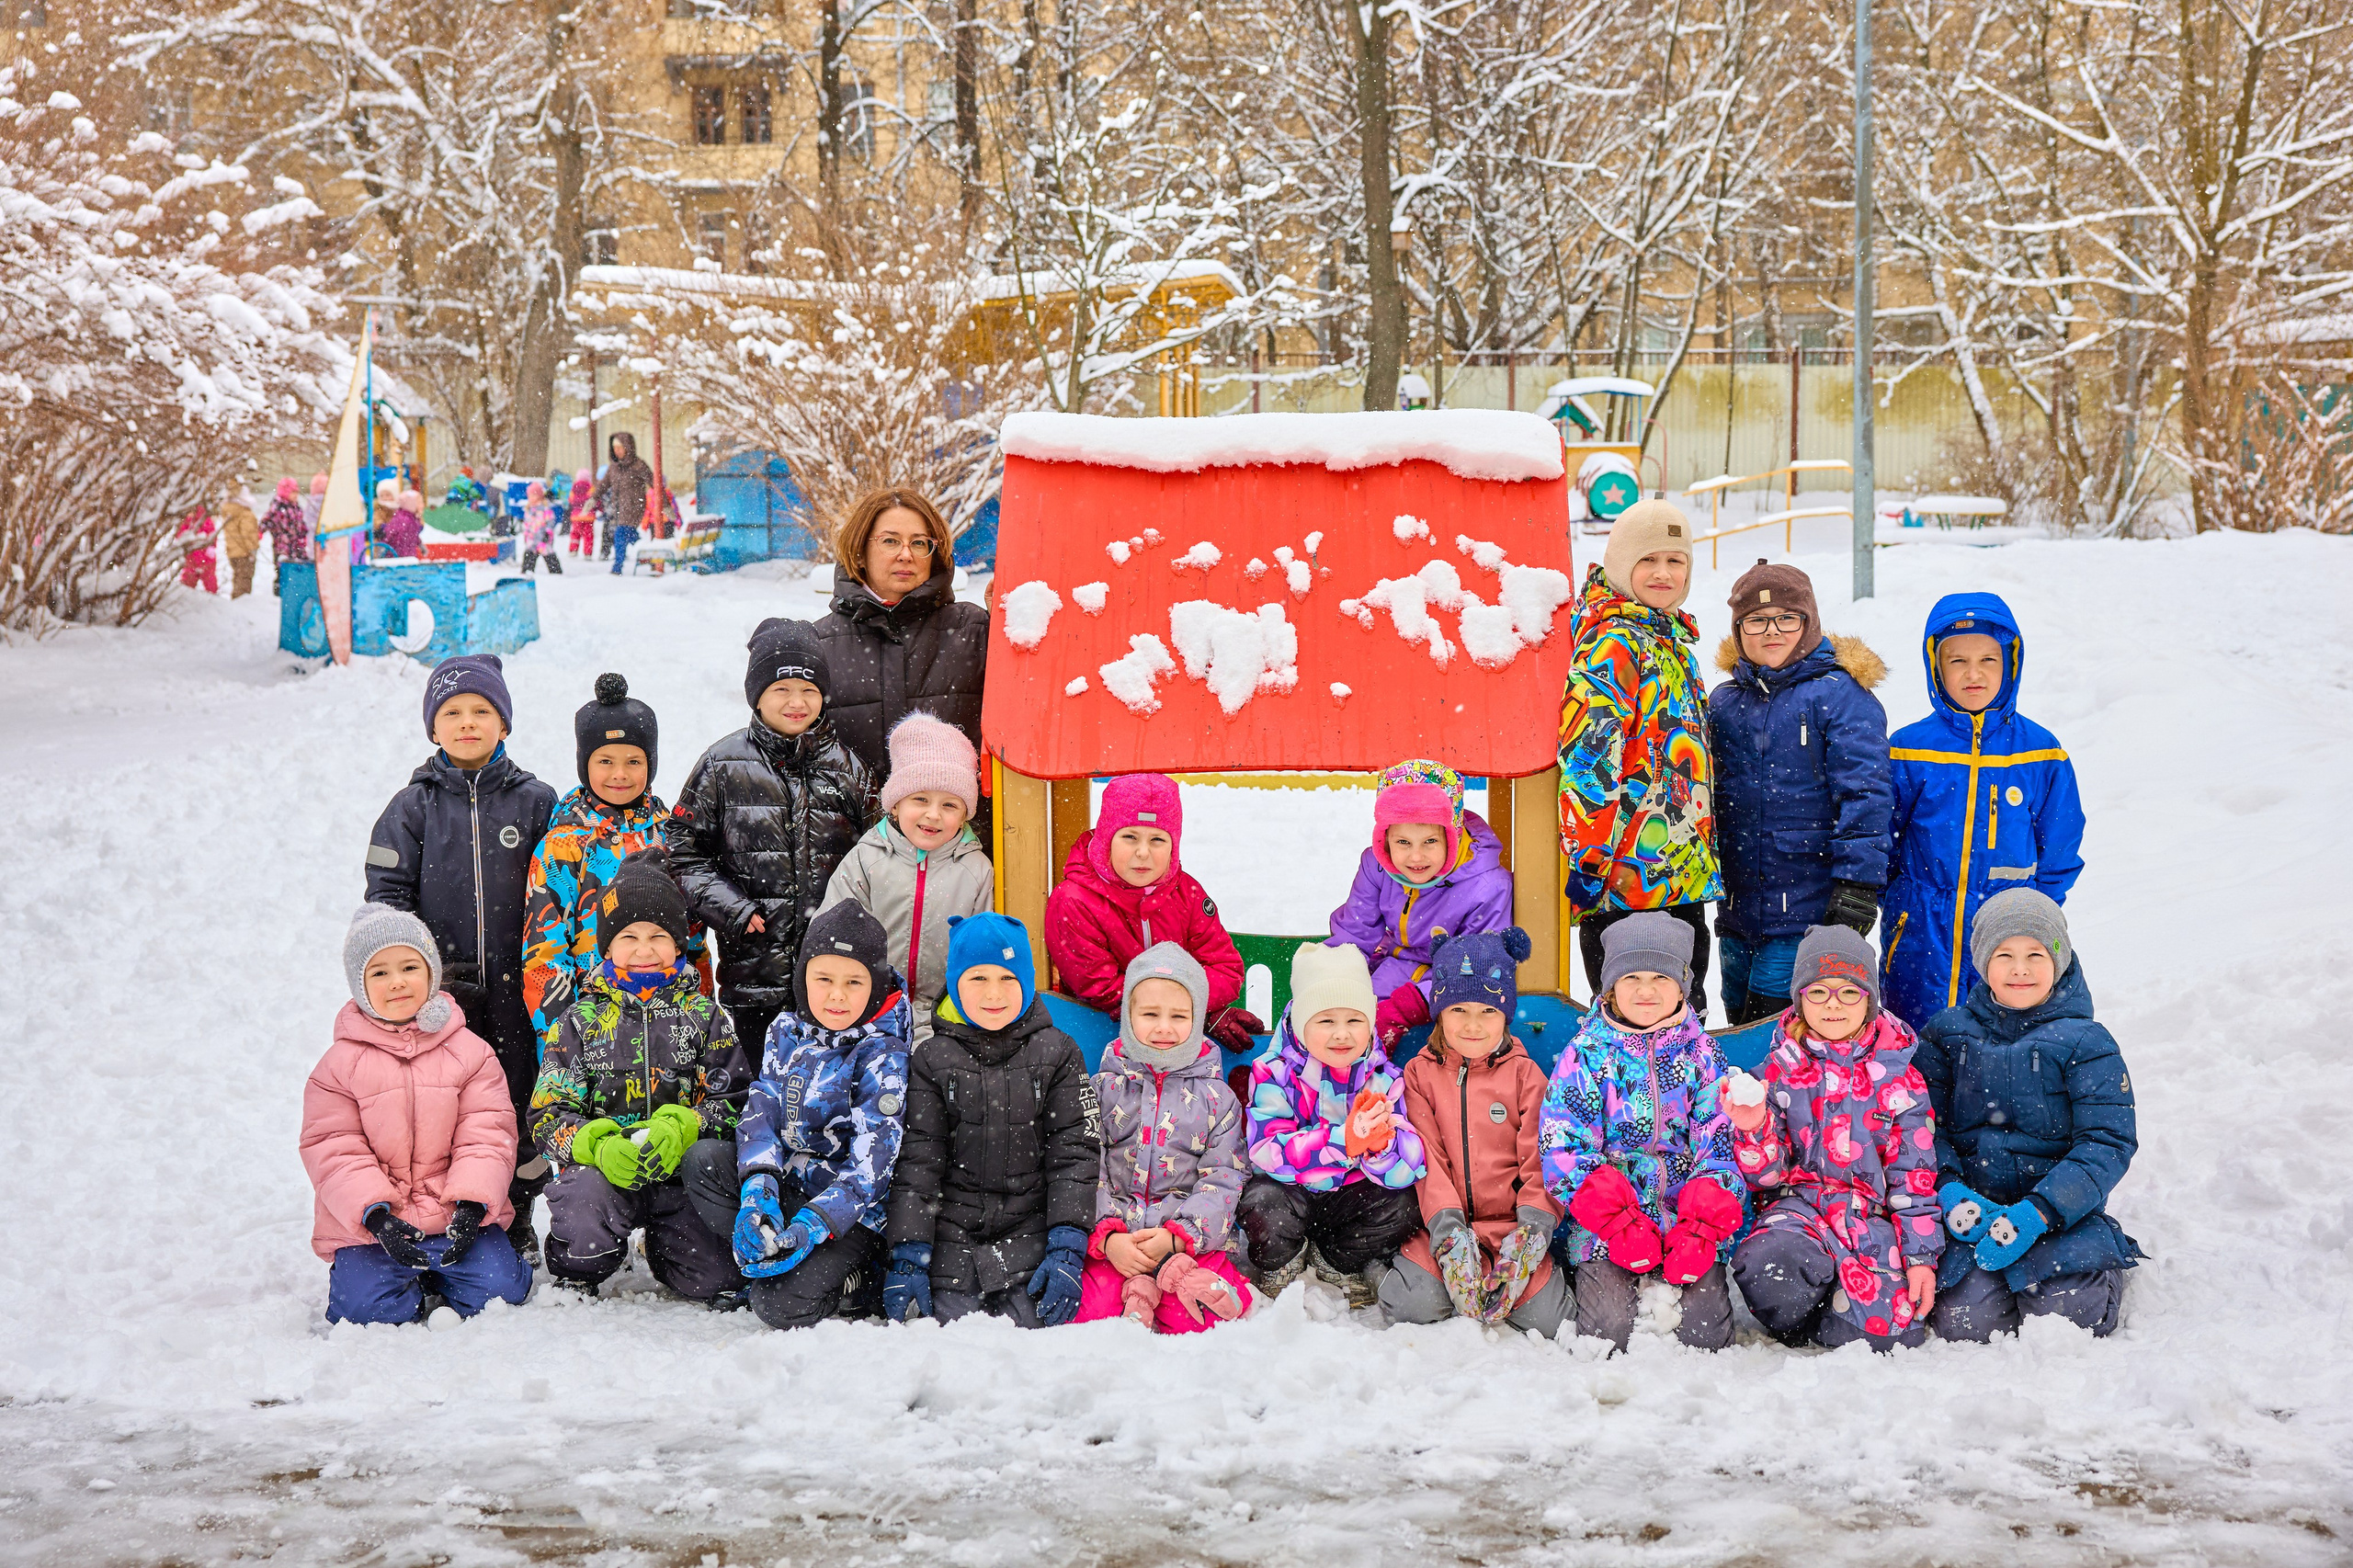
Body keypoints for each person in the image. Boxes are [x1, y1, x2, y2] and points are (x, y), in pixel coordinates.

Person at [367, 654, 558, 1239]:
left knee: (521, 1096)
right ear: (433, 727)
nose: (467, 722)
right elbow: (387, 903)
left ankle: (518, 1207)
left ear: (505, 723)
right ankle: (457, 1208)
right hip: (445, 996)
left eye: (482, 710)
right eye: (452, 712)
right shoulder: (412, 807)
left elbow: (565, 883)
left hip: (521, 986)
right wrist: (419, 976)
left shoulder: (537, 802)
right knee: (452, 1105)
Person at [1915, 890, 2140, 1342]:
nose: (2020, 969)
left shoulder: (2087, 1041)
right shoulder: (1946, 1035)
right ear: (1982, 962)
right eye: (2005, 955)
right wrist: (1949, 1190)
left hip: (2061, 1216)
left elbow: (2107, 1142)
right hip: (1973, 1215)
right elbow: (1922, 1127)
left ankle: (2104, 1269)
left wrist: (2040, 1211)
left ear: (2059, 960)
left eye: (2036, 954)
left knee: (2072, 1318)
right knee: (1964, 1325)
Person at [529, 853, 750, 1301]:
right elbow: (545, 1117)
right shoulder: (578, 1020)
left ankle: (664, 1248)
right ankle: (586, 1257)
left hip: (678, 1177)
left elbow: (738, 1101)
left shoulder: (705, 1015)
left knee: (716, 1279)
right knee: (583, 1245)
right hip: (605, 1176)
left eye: (659, 936)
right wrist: (596, 1144)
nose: (644, 949)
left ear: (679, 944)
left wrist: (687, 1126)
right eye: (628, 936)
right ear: (607, 947)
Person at [301, 905, 533, 1325]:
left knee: (503, 1293)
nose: (397, 982)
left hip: (454, 1215)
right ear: (359, 986)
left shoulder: (471, 1053)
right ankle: (392, 1276)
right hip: (376, 1229)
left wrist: (470, 1205)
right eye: (379, 973)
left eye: (409, 966)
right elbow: (334, 1148)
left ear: (431, 973)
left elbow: (487, 1133)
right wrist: (376, 1216)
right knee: (365, 1313)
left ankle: (446, 1272)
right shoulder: (337, 1066)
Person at [1724, 925, 1943, 1350]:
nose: (1833, 1005)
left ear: (1870, 1000)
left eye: (1849, 992)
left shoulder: (1902, 1079)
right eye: (1818, 992)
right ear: (1800, 1000)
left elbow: (1913, 1181)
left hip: (1869, 1221)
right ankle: (1803, 1308)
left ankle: (1831, 1310)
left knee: (1886, 1337)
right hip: (1797, 1212)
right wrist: (1754, 1128)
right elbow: (1764, 1178)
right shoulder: (1776, 1071)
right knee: (1772, 1269)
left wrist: (1919, 1258)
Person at [885, 913, 1102, 1327]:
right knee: (951, 1333)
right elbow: (919, 1162)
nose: (994, 994)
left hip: (1030, 1229)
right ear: (955, 984)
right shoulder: (932, 1060)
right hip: (953, 1232)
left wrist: (1067, 1246)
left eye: (1008, 979)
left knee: (1031, 1327)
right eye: (977, 979)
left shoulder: (1057, 1054)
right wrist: (910, 1254)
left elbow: (1074, 1156)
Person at [669, 620, 877, 1048]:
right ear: (757, 696)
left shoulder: (849, 768)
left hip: (835, 975)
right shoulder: (721, 766)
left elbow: (881, 851)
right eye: (782, 690)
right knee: (762, 1094)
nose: (797, 702)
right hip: (754, 975)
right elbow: (683, 854)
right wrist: (735, 912)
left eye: (809, 690)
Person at [1882, 593, 2086, 1028]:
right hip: (1920, 928)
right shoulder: (1909, 748)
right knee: (1916, 1040)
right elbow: (1883, 836)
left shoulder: (2040, 753)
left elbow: (2060, 845)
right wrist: (1900, 902)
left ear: (2010, 663)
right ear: (1936, 666)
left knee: (2003, 1044)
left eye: (1988, 660)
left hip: (2007, 930)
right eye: (1957, 661)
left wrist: (2036, 911)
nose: (1973, 674)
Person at [1539, 914, 1741, 1351]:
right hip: (1608, 1223)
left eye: (1660, 977)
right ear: (1610, 986)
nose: (1646, 990)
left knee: (1706, 1337)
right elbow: (1565, 1148)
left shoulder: (1703, 1054)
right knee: (1609, 1331)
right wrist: (1618, 1222)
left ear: (1683, 985)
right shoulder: (1586, 1055)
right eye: (1631, 977)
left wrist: (1700, 1228)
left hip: (1687, 1221)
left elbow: (1721, 1145)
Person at [1708, 561, 1893, 1024]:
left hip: (1807, 910)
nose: (1772, 631)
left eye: (1787, 619)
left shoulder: (1841, 696)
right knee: (1738, 1026)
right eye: (1756, 620)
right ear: (1738, 628)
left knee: (1778, 1031)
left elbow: (1866, 797)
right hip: (1736, 911)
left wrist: (1857, 884)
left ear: (1809, 623)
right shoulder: (1725, 701)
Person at [713, 902, 911, 1328]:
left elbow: (872, 1164)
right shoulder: (785, 1030)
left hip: (851, 1214)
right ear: (804, 979)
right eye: (824, 979)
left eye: (853, 982)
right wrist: (758, 1195)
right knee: (704, 1164)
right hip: (791, 1185)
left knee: (780, 1307)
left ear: (874, 986)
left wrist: (816, 1222)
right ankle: (762, 1246)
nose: (836, 995)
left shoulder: (884, 1055)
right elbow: (761, 1112)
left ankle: (860, 1280)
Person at [1556, 498, 1722, 1007]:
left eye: (1676, 561)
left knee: (1682, 1031)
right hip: (1626, 880)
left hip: (1678, 875)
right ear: (1621, 565)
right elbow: (1589, 755)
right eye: (1648, 560)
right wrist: (1588, 859)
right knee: (1631, 1027)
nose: (1663, 573)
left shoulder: (1672, 646)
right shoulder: (1615, 644)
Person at [1380, 928, 1568, 1336]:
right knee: (1412, 1306)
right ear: (1440, 1013)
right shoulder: (1419, 1074)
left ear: (1506, 1015)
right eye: (1458, 1010)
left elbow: (1542, 1160)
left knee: (1550, 1321)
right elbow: (1427, 1156)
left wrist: (1529, 1235)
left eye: (1488, 1011)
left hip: (1510, 1230)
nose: (1473, 1025)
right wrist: (1449, 1236)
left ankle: (1515, 1268)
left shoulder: (1524, 1075)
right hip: (1442, 1225)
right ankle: (1398, 1271)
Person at [1236, 942, 1427, 1305]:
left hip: (1347, 1199)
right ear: (1300, 1022)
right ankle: (1283, 1262)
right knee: (1262, 1201)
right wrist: (1343, 1141)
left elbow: (1411, 1164)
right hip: (1291, 1190)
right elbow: (1267, 1151)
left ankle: (1337, 1261)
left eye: (1354, 1020)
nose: (1342, 1034)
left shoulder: (1383, 1078)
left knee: (1405, 1204)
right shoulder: (1274, 1073)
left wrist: (1382, 1146)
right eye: (1326, 1021)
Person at [1079, 945, 1256, 1332]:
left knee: (1206, 1318)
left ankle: (1166, 1280)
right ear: (1128, 1017)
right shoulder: (1103, 1089)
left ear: (1197, 1020)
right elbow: (1084, 1167)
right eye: (1150, 1014)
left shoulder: (1217, 1099)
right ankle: (1134, 1285)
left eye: (1179, 1016)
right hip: (1115, 1241)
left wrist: (1179, 1237)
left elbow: (1224, 1175)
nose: (1164, 1027)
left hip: (1180, 1240)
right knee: (1088, 1314)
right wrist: (1108, 1236)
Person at [522, 674, 702, 1050]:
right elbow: (545, 954)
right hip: (592, 1036)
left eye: (633, 761)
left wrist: (701, 1023)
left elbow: (693, 940)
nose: (620, 774)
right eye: (605, 761)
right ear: (584, 764)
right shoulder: (563, 847)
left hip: (670, 1031)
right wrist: (564, 1045)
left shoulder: (671, 839)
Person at [812, 488, 990, 823]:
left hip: (961, 848)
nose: (906, 554)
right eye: (890, 541)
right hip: (853, 848)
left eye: (919, 543)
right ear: (860, 551)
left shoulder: (975, 629)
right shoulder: (818, 643)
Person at [1042, 773, 1254, 1051]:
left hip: (1177, 1046)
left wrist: (1185, 1010)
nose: (1143, 852)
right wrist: (1188, 1012)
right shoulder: (1074, 900)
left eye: (1157, 839)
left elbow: (1225, 969)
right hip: (1100, 1042)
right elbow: (1101, 988)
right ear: (1107, 839)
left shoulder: (1185, 893)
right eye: (1130, 837)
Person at [817, 711, 994, 1040]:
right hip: (871, 1013)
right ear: (896, 805)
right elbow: (833, 934)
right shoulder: (866, 859)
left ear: (965, 813)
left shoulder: (976, 871)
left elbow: (982, 952)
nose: (933, 814)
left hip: (949, 1018)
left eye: (950, 805)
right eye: (921, 799)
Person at [1327, 759, 1517, 1050]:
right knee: (1338, 1024)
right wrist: (1336, 984)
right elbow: (1354, 934)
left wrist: (1406, 1005)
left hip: (1453, 986)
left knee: (1432, 1038)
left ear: (1451, 837)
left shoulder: (1486, 885)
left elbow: (1476, 968)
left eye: (1429, 841)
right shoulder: (1377, 865)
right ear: (1385, 839)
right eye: (1403, 842)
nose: (1416, 857)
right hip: (1394, 965)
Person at [595, 431, 654, 562]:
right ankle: (648, 558)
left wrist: (666, 505)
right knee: (629, 534)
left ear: (628, 447)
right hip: (619, 507)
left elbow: (655, 483)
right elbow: (603, 485)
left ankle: (618, 567)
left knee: (621, 534)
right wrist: (593, 498)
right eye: (615, 448)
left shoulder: (638, 465)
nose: (617, 451)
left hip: (634, 506)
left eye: (620, 448)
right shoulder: (614, 468)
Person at [260, 477, 311, 595]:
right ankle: (280, 592)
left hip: (297, 545)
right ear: (286, 493)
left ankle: (294, 592)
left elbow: (300, 523)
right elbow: (267, 520)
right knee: (282, 570)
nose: (296, 495)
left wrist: (304, 531)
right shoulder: (278, 507)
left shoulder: (296, 507)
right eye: (293, 492)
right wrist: (260, 531)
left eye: (297, 493)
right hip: (282, 546)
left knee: (298, 569)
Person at [220, 487, 261, 598]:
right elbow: (248, 534)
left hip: (233, 551)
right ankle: (241, 603)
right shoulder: (245, 513)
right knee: (244, 580)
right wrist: (252, 549)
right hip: (245, 553)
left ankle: (237, 600)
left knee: (238, 577)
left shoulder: (229, 511)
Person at [518, 480, 562, 574]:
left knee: (548, 554)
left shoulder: (545, 508)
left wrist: (548, 532)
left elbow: (550, 521)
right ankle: (527, 572)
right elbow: (527, 524)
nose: (531, 498)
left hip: (543, 538)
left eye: (534, 495)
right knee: (529, 555)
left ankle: (556, 572)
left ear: (539, 495)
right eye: (529, 496)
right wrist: (526, 535)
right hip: (532, 538)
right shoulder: (528, 509)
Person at [381, 487, 425, 560]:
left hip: (406, 558)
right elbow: (391, 535)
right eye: (420, 503)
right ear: (411, 505)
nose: (423, 505)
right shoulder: (405, 520)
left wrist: (420, 544)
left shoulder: (411, 519)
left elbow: (412, 535)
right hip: (399, 559)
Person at [567, 474, 597, 557]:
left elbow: (571, 500)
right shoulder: (591, 487)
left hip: (576, 516)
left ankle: (573, 550)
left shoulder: (574, 487)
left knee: (575, 534)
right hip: (588, 516)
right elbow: (595, 499)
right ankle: (587, 553)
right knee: (588, 535)